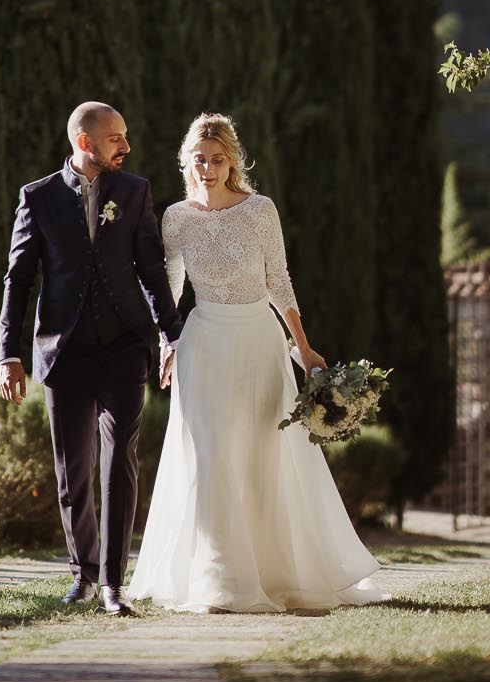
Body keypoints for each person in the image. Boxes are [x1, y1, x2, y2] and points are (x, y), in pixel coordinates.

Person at [127, 111, 384, 614]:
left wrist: (303, 349)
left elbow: (279, 281)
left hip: (259, 343)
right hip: (202, 344)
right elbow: (170, 285)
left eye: (217, 160)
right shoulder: (176, 217)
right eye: (198, 159)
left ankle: (275, 572)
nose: (207, 168)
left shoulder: (260, 209)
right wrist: (166, 342)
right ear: (186, 161)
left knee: (261, 455)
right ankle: (218, 579)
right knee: (211, 453)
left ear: (232, 161)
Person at [0, 100, 183, 616]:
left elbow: (151, 269)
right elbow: (18, 280)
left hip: (125, 345)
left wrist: (173, 337)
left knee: (119, 458)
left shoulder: (135, 191)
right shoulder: (37, 198)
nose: (126, 147)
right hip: (63, 352)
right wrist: (8, 354)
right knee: (73, 468)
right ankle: (83, 573)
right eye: (115, 138)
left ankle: (113, 585)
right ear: (86, 143)